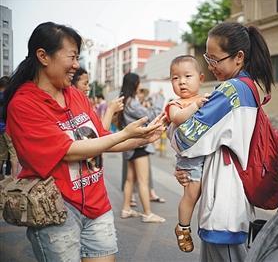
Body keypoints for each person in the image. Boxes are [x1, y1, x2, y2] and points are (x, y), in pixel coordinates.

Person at [4, 21, 164, 262]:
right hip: (57, 211)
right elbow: (68, 151)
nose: (76, 65)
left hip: (97, 205)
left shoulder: (76, 95)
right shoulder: (24, 104)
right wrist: (125, 134)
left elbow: (100, 140)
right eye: (72, 57)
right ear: (43, 56)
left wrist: (141, 138)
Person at [173, 21, 274, 261]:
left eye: (215, 59)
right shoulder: (249, 87)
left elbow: (184, 139)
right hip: (232, 200)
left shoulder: (230, 92)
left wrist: (173, 125)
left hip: (224, 208)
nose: (210, 65)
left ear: (239, 57)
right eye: (208, 57)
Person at [165, 55, 208, 252]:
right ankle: (183, 227)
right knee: (192, 194)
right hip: (189, 160)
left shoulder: (207, 99)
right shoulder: (175, 104)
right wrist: (195, 105)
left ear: (201, 78)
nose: (181, 81)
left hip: (206, 156)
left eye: (187, 76)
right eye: (175, 77)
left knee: (203, 194)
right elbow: (178, 118)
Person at [118, 72, 166, 222]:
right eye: (138, 82)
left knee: (130, 179)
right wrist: (159, 99)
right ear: (134, 84)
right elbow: (151, 115)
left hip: (130, 146)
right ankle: (147, 213)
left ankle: (126, 209)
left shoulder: (125, 101)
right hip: (138, 146)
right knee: (143, 181)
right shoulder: (132, 102)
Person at [0, 76, 18, 179]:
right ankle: (14, 178)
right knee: (13, 154)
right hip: (8, 128)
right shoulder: (10, 97)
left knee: (1, 155)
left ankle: (0, 177)